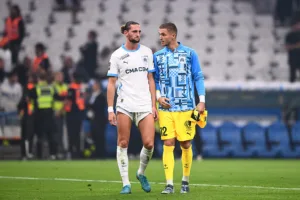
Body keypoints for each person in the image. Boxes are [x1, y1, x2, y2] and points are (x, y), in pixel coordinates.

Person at [154, 22, 206, 194]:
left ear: (173, 35)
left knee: (185, 143)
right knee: (168, 143)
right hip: (166, 108)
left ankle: (185, 180)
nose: (160, 37)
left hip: (186, 107)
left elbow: (198, 77)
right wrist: (158, 96)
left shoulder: (190, 54)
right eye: (159, 34)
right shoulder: (158, 56)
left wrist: (202, 100)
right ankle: (169, 183)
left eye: (163, 34)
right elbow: (154, 81)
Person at [106, 21, 158, 194]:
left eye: (139, 31)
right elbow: (111, 83)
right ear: (126, 33)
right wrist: (110, 109)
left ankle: (140, 173)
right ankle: (125, 183)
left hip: (144, 104)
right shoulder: (117, 56)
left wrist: (153, 104)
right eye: (134, 31)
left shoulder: (147, 52)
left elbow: (151, 79)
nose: (138, 34)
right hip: (125, 104)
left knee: (149, 144)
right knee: (123, 142)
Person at [28, 71, 58, 159]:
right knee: (51, 136)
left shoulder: (36, 88)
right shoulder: (51, 88)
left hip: (39, 114)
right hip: (49, 114)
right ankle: (53, 154)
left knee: (40, 136)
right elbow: (57, 97)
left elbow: (29, 99)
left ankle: (39, 155)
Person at [65, 71, 85, 159]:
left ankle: (76, 151)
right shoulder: (71, 88)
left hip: (78, 114)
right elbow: (68, 101)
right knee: (72, 134)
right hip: (71, 114)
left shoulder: (80, 88)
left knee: (77, 134)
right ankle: (71, 151)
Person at [86, 80, 107, 158]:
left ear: (98, 86)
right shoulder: (92, 95)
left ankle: (101, 154)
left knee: (100, 137)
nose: (93, 86)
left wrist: (90, 106)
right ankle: (96, 154)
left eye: (94, 85)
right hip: (93, 120)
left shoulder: (101, 96)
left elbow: (99, 107)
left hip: (100, 121)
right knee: (94, 137)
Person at [53, 72, 68, 158]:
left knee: (62, 134)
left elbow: (67, 99)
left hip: (64, 113)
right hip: (56, 112)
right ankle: (56, 151)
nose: (59, 78)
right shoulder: (53, 86)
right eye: (58, 76)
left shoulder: (65, 86)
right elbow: (57, 98)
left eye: (61, 76)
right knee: (56, 133)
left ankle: (63, 151)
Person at [285, 13, 300, 82]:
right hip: (293, 58)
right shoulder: (289, 35)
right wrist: (296, 46)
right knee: (292, 78)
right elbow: (287, 47)